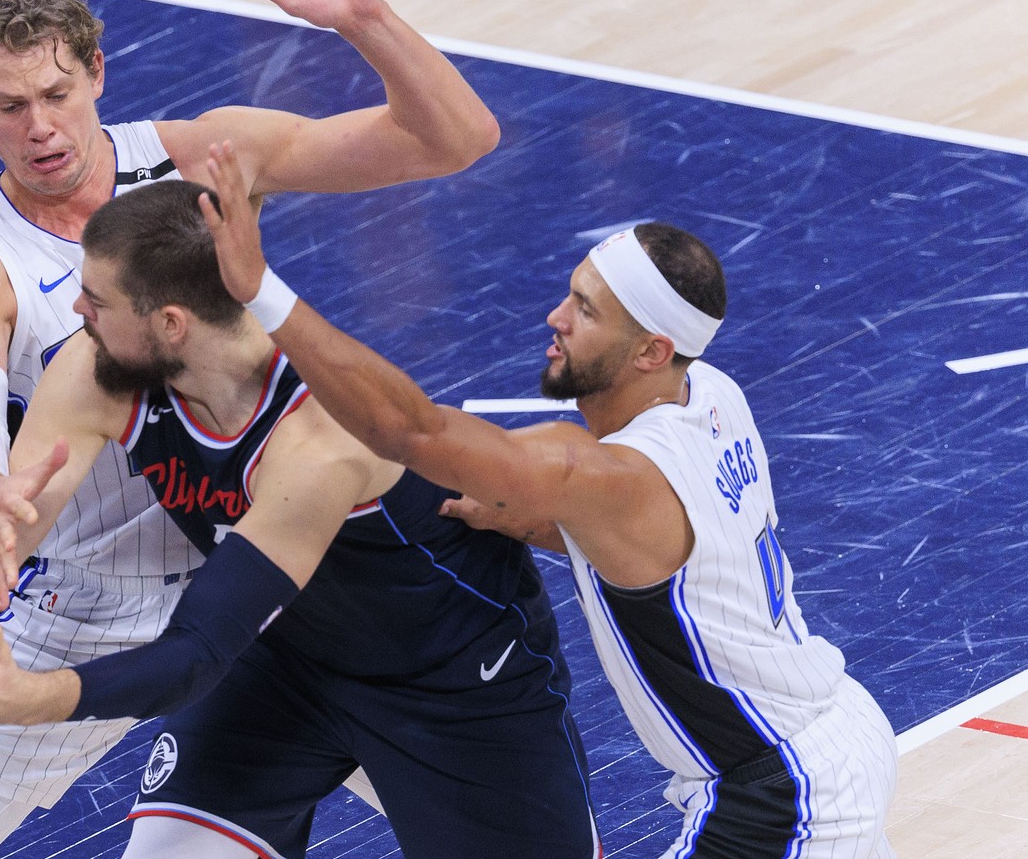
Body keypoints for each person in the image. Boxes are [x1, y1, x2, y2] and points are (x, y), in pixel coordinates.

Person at [0, 0, 499, 855]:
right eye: (10, 105)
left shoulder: (201, 160)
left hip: (278, 566)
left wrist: (368, 21)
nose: (42, 126)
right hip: (93, 602)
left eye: (58, 93)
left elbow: (454, 140)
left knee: (506, 824)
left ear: (99, 70)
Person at [0, 176, 601, 858]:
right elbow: (10, 534)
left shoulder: (317, 436)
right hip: (285, 664)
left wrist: (27, 698)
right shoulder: (98, 366)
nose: (75, 311)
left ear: (171, 323)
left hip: (452, 685)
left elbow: (194, 650)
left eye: (95, 299)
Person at [200, 141, 899, 857]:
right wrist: (543, 524)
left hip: (779, 789)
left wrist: (258, 288)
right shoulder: (711, 393)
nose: (555, 316)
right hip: (833, 727)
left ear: (651, 351)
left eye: (586, 310)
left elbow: (407, 428)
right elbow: (672, 557)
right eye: (572, 292)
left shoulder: (606, 475)